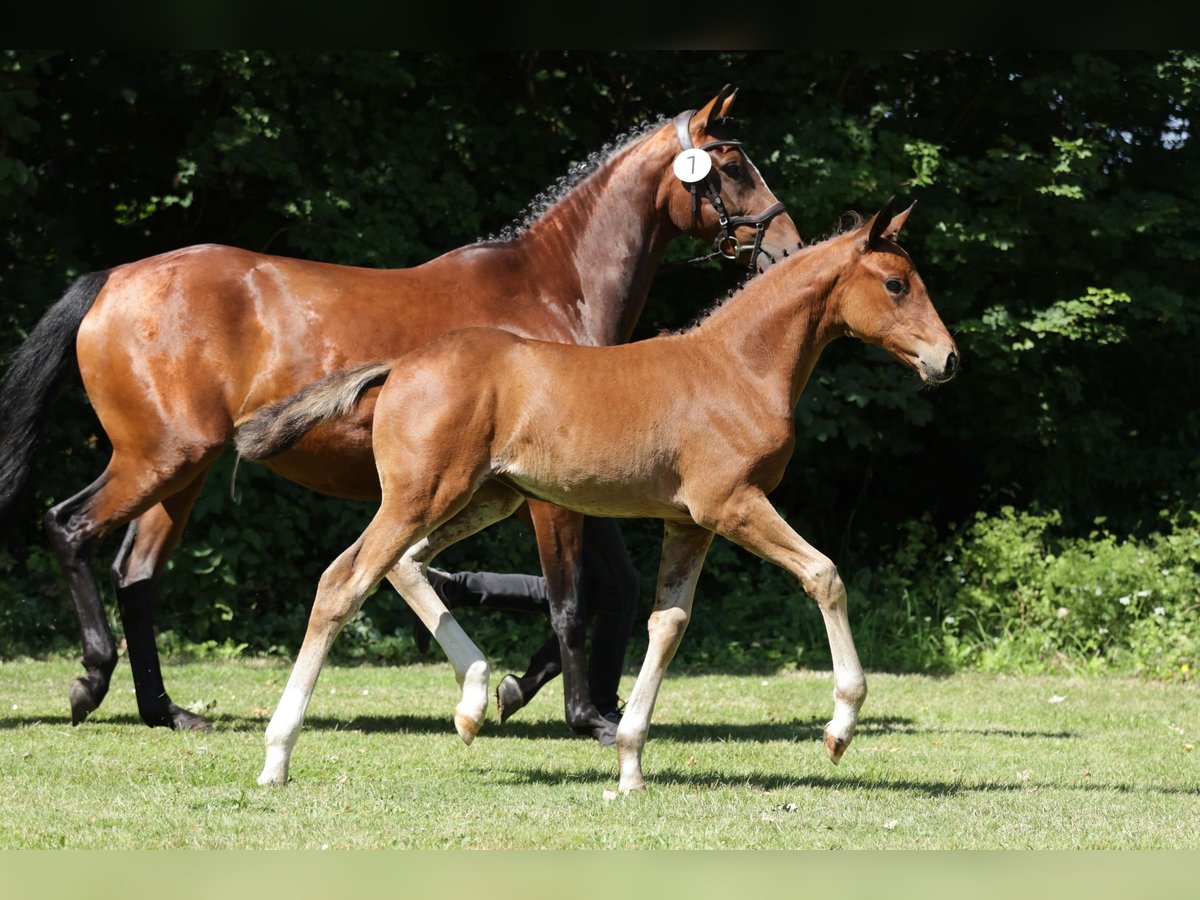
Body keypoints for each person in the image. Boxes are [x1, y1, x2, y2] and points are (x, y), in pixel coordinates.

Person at [418, 517, 636, 723]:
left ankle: (452, 589)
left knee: (591, 589)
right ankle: (599, 704)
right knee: (615, 587)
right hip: (585, 487)